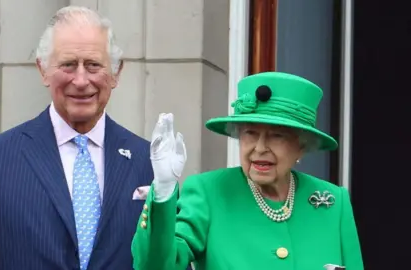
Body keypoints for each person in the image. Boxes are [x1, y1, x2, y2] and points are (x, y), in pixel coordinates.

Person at [0, 6, 155, 270]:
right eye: (68, 65)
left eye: (93, 65)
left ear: (115, 73)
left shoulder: (147, 162)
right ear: (43, 70)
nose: (81, 80)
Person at [132, 71, 364, 270]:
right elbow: (156, 265)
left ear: (301, 146)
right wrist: (163, 191)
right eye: (250, 133)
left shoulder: (333, 203)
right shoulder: (209, 192)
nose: (260, 148)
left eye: (277, 136)